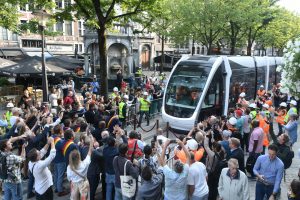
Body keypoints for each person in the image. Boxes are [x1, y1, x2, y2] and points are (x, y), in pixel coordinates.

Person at [67, 135, 94, 200]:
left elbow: (69, 178)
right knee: (84, 197)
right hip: (83, 183)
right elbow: (90, 152)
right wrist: (91, 141)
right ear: (79, 157)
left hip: (74, 184)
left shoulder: (69, 167)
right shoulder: (84, 164)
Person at [0, 135, 27, 200]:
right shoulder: (11, 157)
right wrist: (23, 148)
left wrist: (19, 137)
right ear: (5, 148)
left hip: (5, 179)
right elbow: (23, 158)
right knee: (18, 197)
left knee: (7, 196)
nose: (11, 143)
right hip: (15, 180)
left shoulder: (1, 153)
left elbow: (10, 140)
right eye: (9, 144)